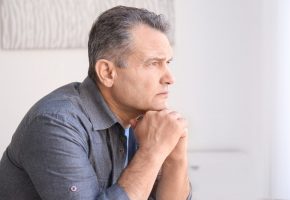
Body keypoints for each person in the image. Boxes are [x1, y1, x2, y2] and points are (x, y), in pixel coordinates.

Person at [0, 6, 191, 200]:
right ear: (107, 73)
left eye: (168, 63)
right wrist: (152, 152)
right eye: (153, 63)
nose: (170, 78)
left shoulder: (148, 121)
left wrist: (175, 158)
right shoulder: (55, 124)